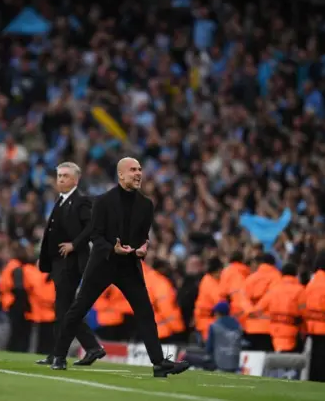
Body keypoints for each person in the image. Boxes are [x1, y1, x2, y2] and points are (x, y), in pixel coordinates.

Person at [50, 157, 190, 378]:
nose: (138, 174)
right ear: (121, 175)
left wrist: (144, 248)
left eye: (140, 170)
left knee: (145, 311)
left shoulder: (146, 205)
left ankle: (159, 363)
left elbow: (144, 237)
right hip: (102, 264)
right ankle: (59, 355)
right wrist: (113, 249)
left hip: (128, 265)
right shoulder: (103, 201)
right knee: (79, 308)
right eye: (133, 170)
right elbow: (95, 236)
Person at [36, 162, 104, 366]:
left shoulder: (81, 201)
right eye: (59, 176)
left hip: (72, 263)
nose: (61, 179)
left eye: (65, 176)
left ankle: (60, 355)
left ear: (76, 179)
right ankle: (91, 348)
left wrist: (75, 245)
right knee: (63, 310)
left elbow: (93, 226)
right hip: (59, 262)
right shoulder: (62, 200)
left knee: (64, 309)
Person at [251, 263, 306, 353]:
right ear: (296, 274)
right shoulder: (300, 290)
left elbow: (258, 308)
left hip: (275, 332)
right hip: (292, 333)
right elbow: (304, 314)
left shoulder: (273, 290)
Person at [206, 301, 243, 373]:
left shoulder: (214, 326)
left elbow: (209, 347)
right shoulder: (238, 325)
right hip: (235, 363)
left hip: (219, 363)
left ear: (217, 313)